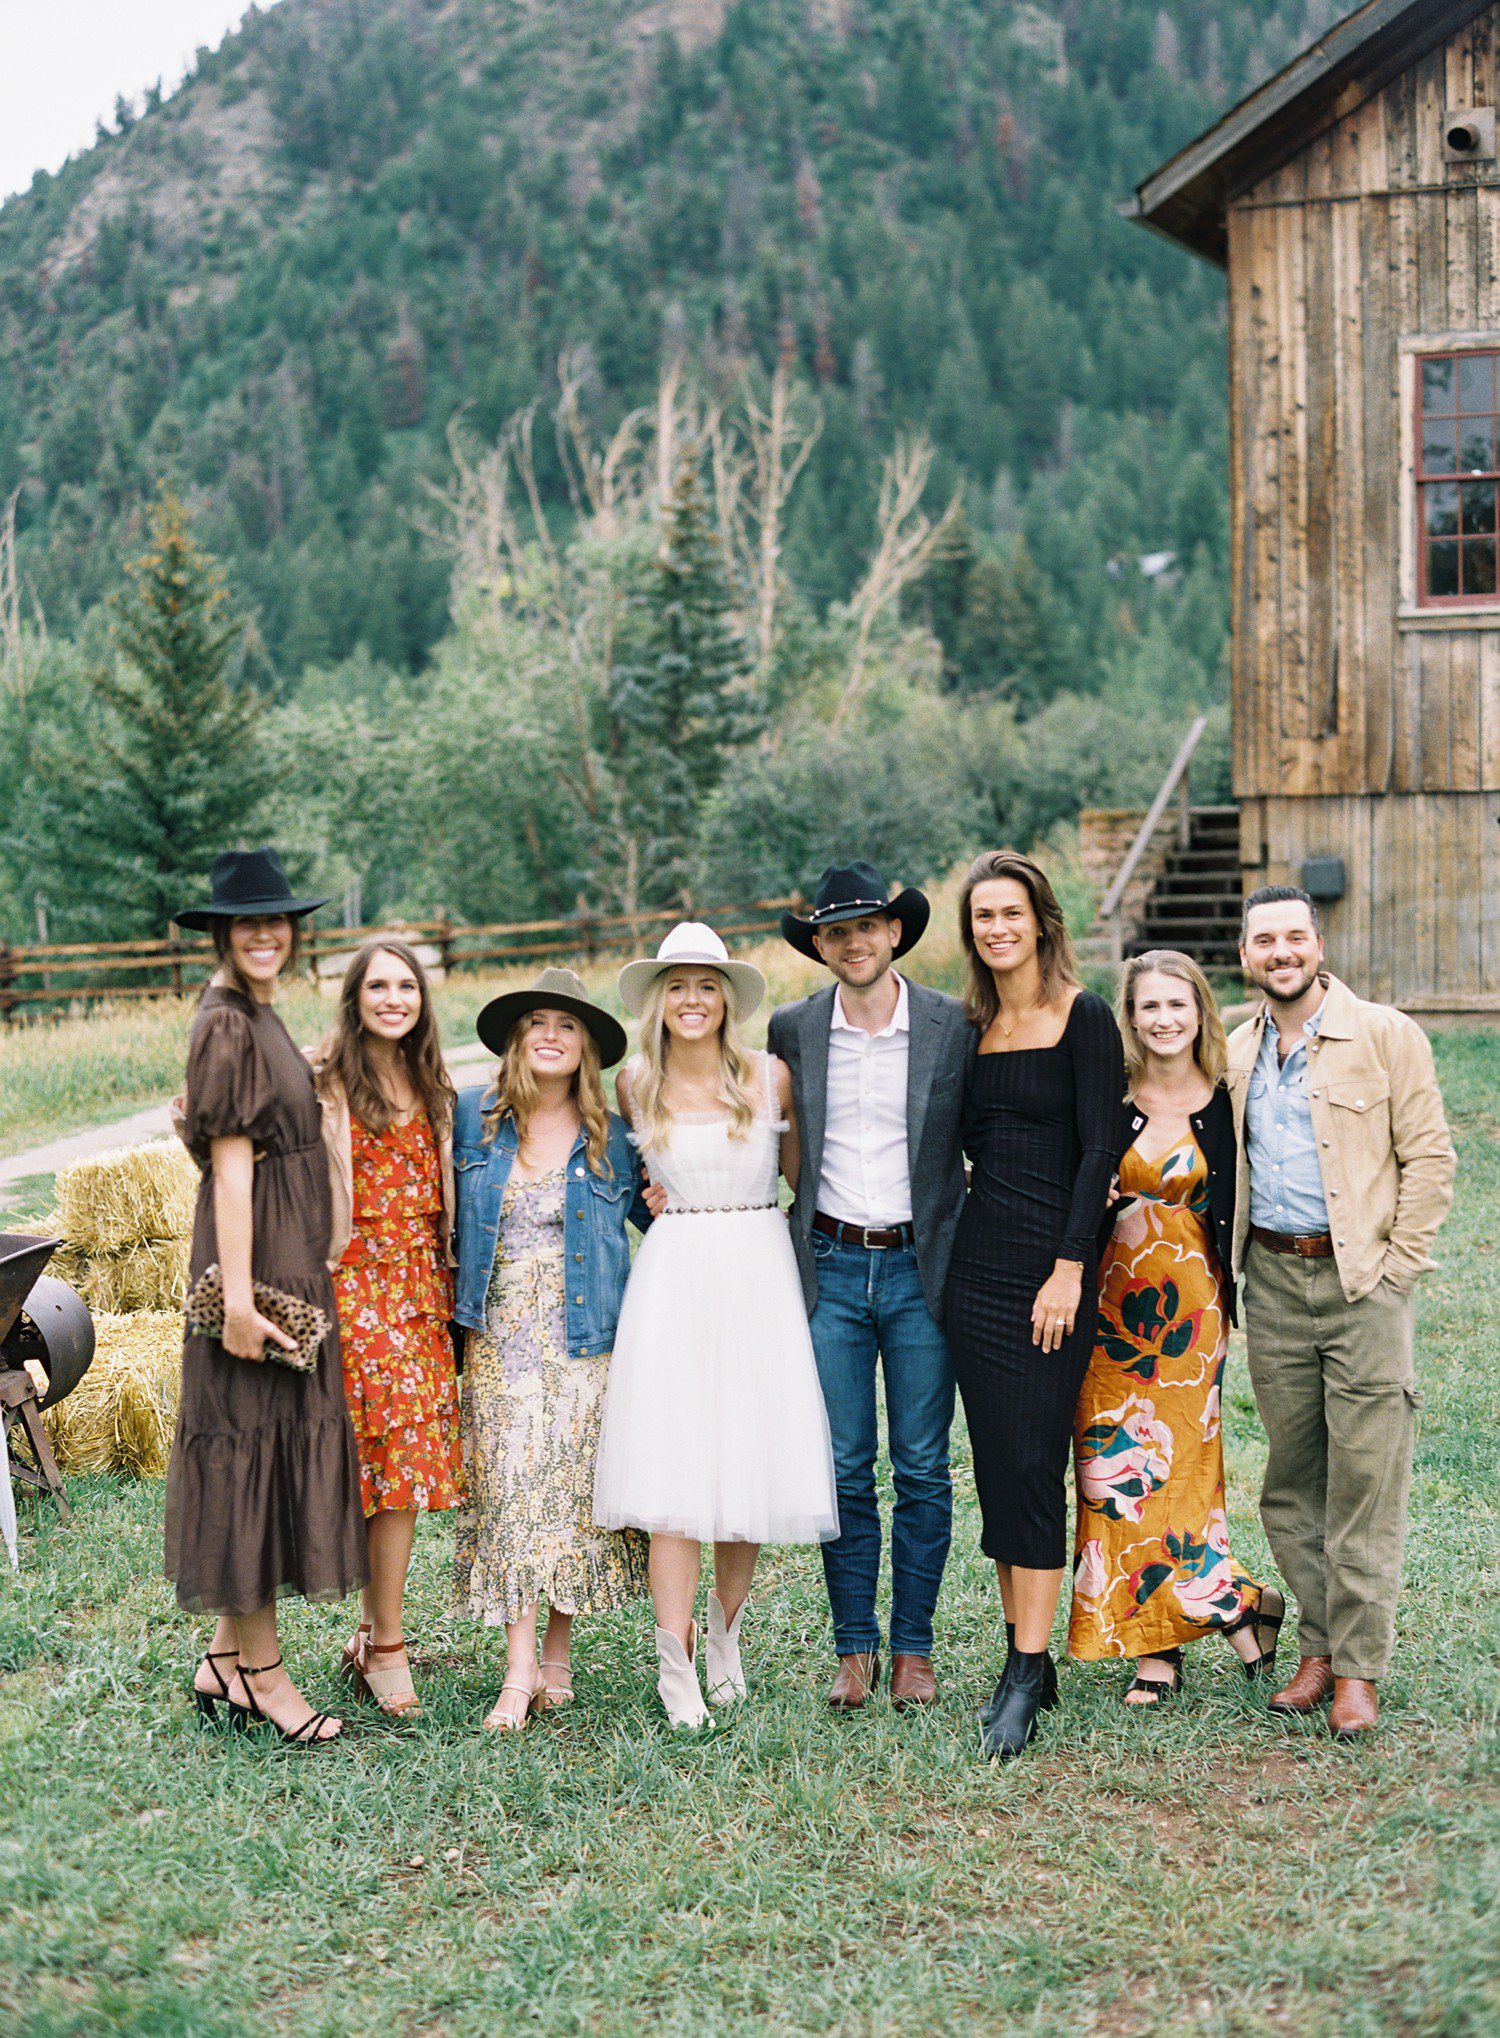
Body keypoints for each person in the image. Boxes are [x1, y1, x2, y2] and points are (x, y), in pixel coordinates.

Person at [593, 923, 839, 1727]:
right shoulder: (633, 1085)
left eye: (706, 986)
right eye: (678, 987)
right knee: (676, 1476)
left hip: (757, 1269)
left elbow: (801, 1180)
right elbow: (627, 1184)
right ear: (658, 1001)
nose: (692, 1001)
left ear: (726, 999)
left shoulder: (768, 1076)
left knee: (749, 1462)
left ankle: (728, 1638)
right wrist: (654, 1201)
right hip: (676, 1278)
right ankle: (675, 1666)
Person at [1228, 887, 1454, 1740]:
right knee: (1292, 1483)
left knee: (1365, 1481)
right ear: (1246, 953)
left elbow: (1430, 1158)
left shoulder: (1387, 1035)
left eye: (1295, 936)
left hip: (1363, 1286)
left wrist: (1396, 1271)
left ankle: (1357, 1670)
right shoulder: (1237, 1050)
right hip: (1274, 1285)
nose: (1280, 951)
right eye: (1264, 940)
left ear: (1319, 943)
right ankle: (1316, 1648)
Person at [164, 847, 366, 1747]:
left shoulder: (261, 1015)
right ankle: (265, 1680)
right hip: (253, 1265)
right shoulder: (227, 1025)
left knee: (270, 1446)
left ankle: (220, 1657)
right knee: (248, 1453)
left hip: (285, 1260)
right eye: (248, 923)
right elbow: (233, 1169)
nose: (265, 934)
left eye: (278, 921)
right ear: (219, 932)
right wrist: (241, 1300)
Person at [767, 862, 971, 1712]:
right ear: (820, 945)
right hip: (834, 1266)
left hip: (926, 1266)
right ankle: (854, 1648)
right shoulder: (792, 1029)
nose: (854, 942)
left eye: (869, 926)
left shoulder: (952, 1024)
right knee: (845, 1466)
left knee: (922, 1466)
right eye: (836, 931)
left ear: (895, 933)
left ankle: (913, 1648)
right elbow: (760, 1129)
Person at [944, 849, 1124, 1761]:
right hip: (975, 1272)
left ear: (1042, 921)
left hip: (1050, 1276)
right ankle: (1030, 1656)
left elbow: (1100, 1153)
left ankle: (1023, 1670)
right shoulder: (974, 1027)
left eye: (1011, 913)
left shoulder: (1082, 1016)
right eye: (983, 917)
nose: (998, 928)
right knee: (997, 1468)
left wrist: (1068, 1268)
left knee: (1031, 1461)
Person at [1069, 950, 1283, 1701]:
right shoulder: (1106, 1097)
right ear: (1128, 1017)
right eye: (1148, 1007)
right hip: (1105, 1314)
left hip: (1191, 1316)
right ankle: (1237, 1607)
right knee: (1111, 1477)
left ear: (1200, 1012)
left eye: (1177, 1005)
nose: (1163, 1020)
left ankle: (1161, 1652)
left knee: (1185, 1475)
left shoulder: (1228, 1099)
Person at [451, 968, 650, 1731]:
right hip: (499, 1335)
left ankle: (556, 1659)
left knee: (568, 1494)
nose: (550, 1035)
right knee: (509, 1493)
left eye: (568, 1026)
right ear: (515, 1038)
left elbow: (664, 1220)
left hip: (585, 1336)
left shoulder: (613, 1139)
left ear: (588, 1049)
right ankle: (517, 1672)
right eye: (536, 1021)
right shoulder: (473, 1118)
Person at [312, 937, 462, 1719]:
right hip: (355, 1289)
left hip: (421, 1292)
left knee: (398, 1468)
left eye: (407, 986)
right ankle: (389, 1646)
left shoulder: (436, 1083)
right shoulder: (325, 1080)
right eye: (379, 986)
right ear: (356, 996)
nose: (394, 998)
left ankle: (376, 1634)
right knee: (380, 1464)